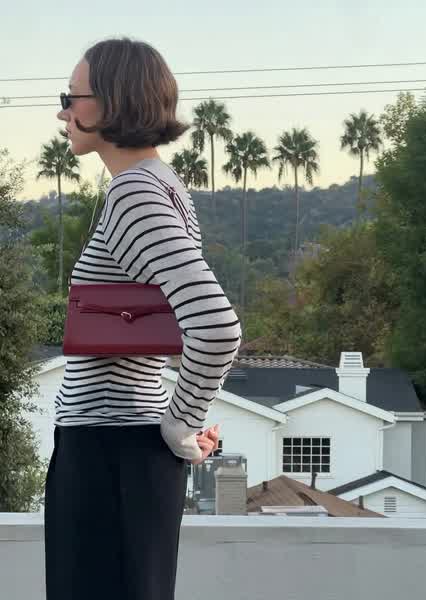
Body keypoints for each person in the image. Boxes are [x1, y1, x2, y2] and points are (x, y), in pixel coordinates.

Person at [46, 36, 242, 600]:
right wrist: (174, 415)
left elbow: (215, 325)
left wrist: (180, 425)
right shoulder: (161, 185)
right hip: (122, 454)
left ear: (113, 102)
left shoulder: (136, 193)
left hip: (110, 458)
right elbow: (153, 326)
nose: (62, 113)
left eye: (71, 97)